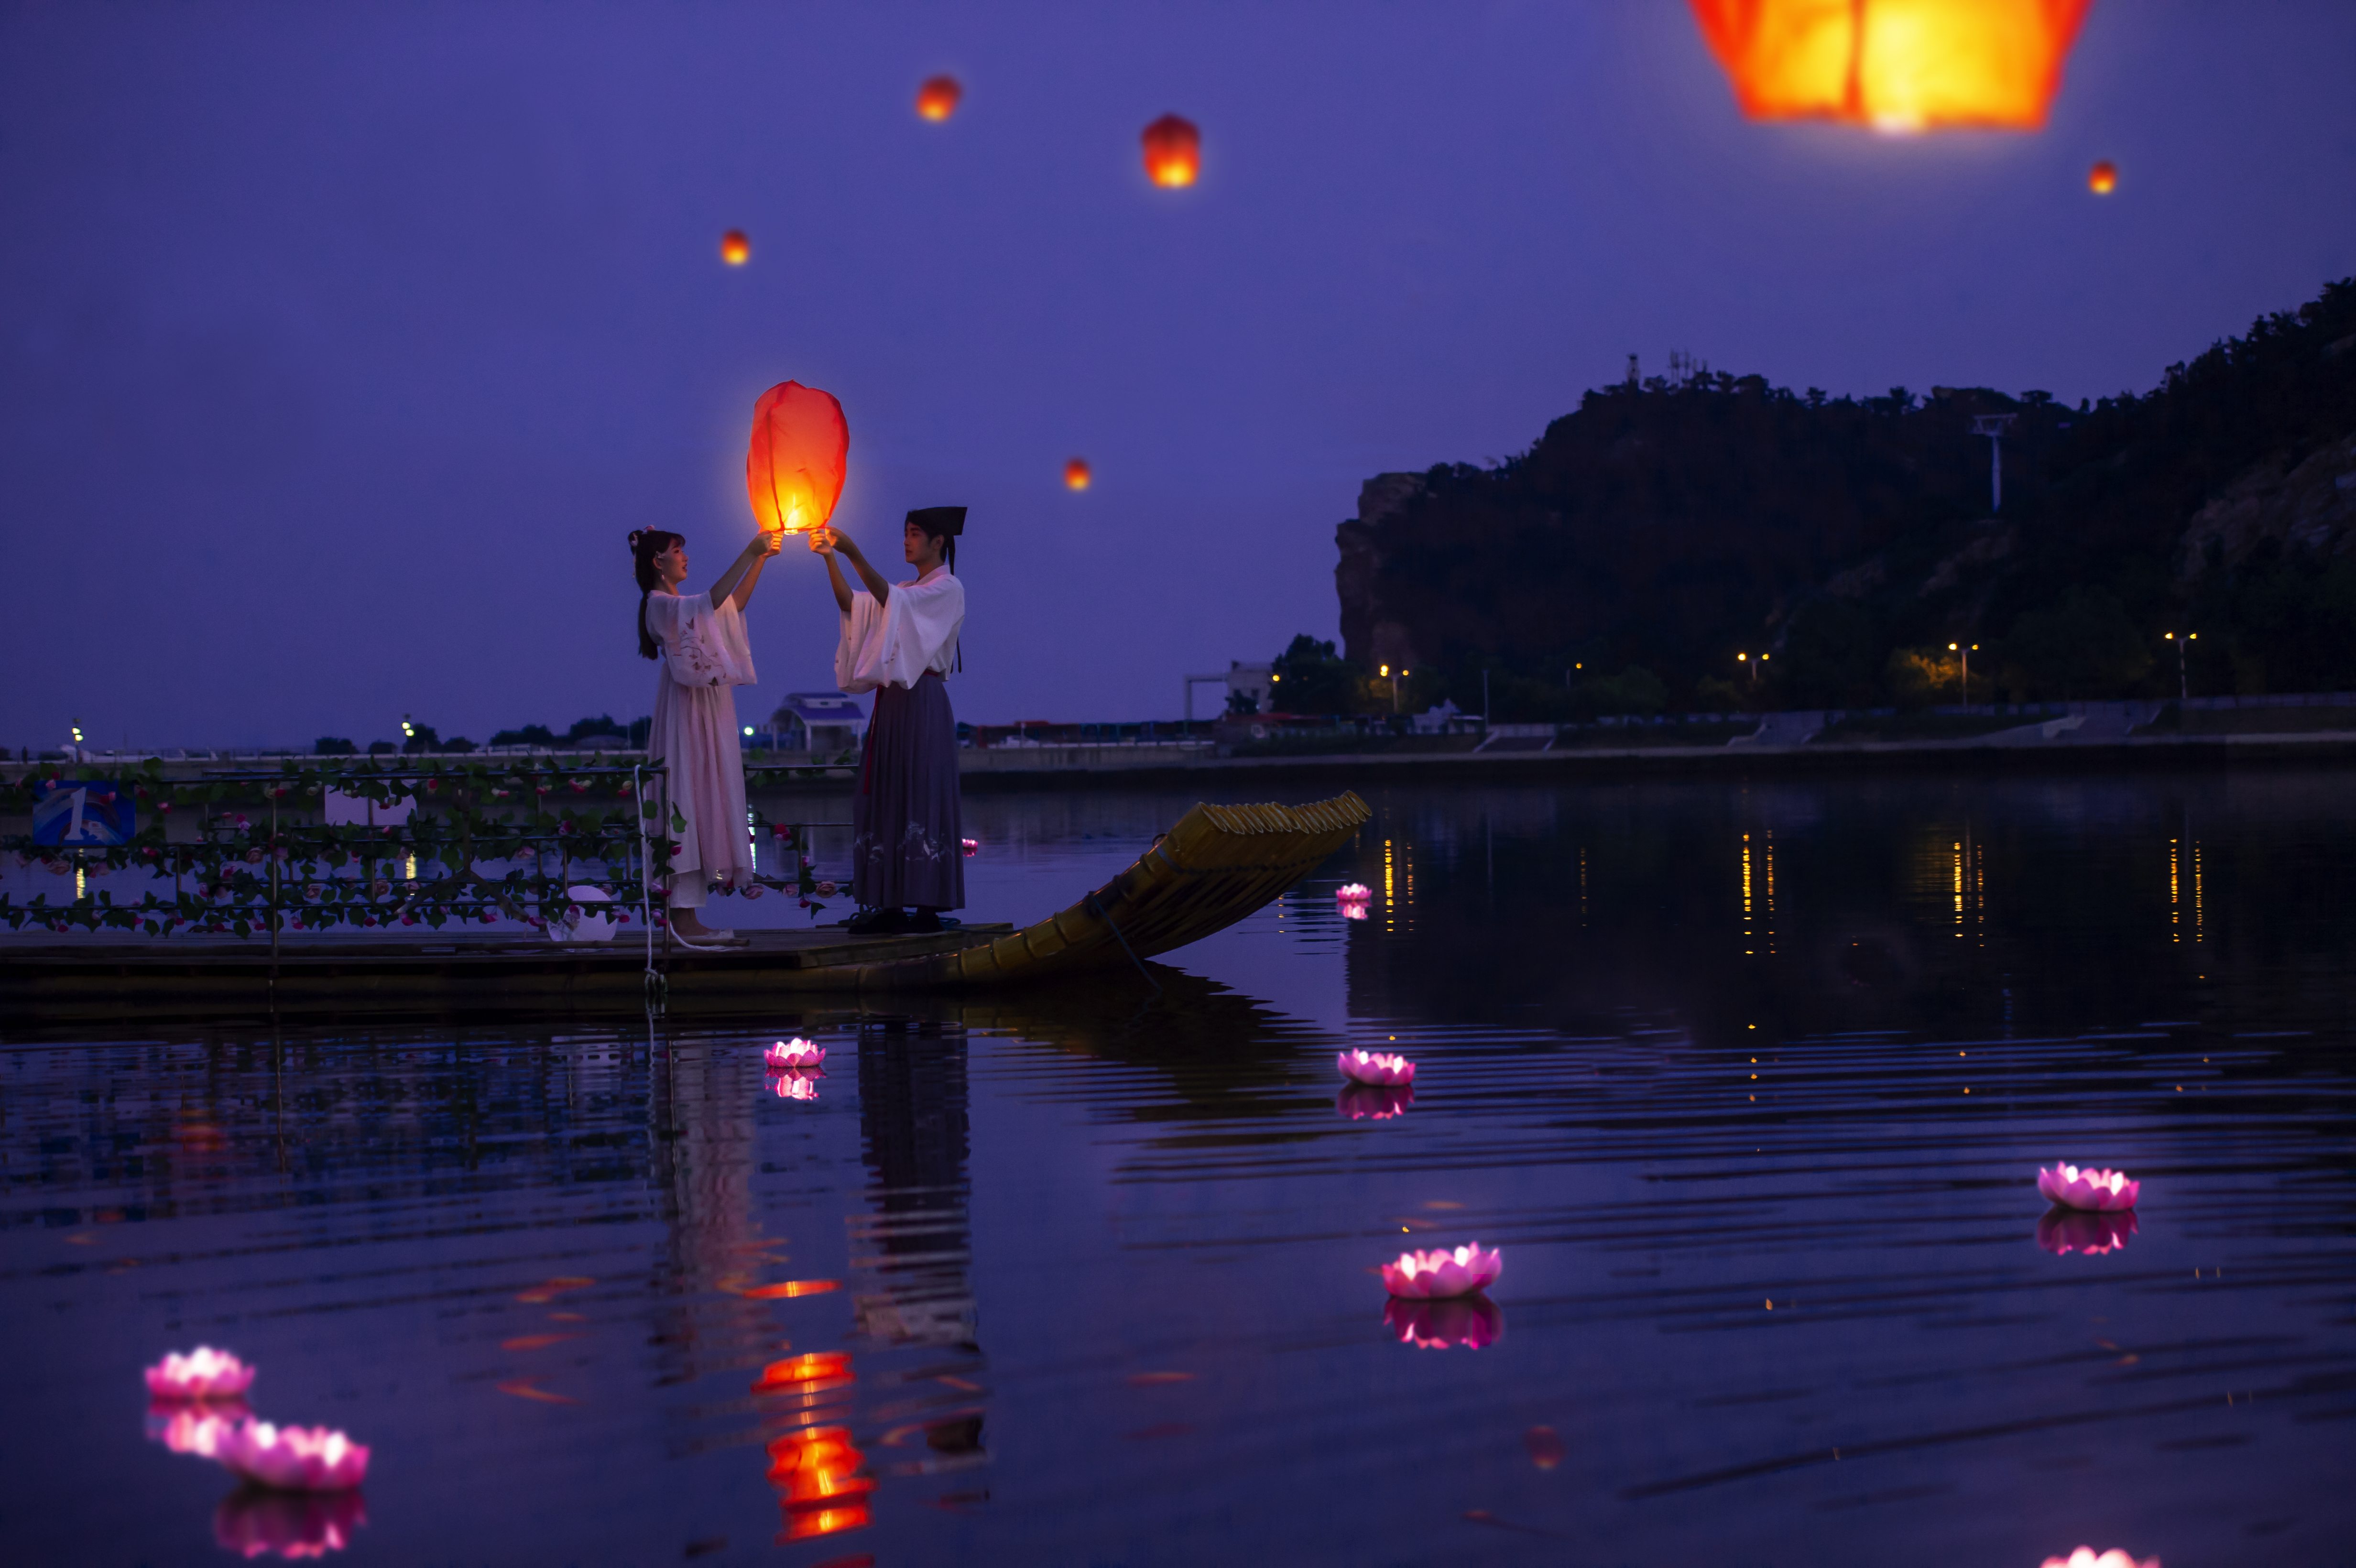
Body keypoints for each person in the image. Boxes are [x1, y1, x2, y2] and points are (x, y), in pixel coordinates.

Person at [811, 507, 967, 933]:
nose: (906, 541)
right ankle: (891, 903)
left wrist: (853, 551)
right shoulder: (904, 588)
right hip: (895, 703)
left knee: (920, 792)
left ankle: (928, 907)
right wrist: (831, 557)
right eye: (905, 533)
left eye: (915, 534)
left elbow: (892, 601)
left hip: (923, 702)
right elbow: (853, 605)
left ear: (938, 542)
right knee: (888, 794)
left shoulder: (948, 587)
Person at [629, 525, 782, 947]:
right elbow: (712, 602)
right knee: (684, 793)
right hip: (686, 708)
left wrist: (760, 560)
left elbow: (730, 607)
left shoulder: (678, 606)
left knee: (702, 792)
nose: (686, 558)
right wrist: (748, 549)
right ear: (658, 561)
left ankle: (688, 915)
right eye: (679, 551)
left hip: (705, 705)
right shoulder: (659, 605)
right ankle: (682, 915)